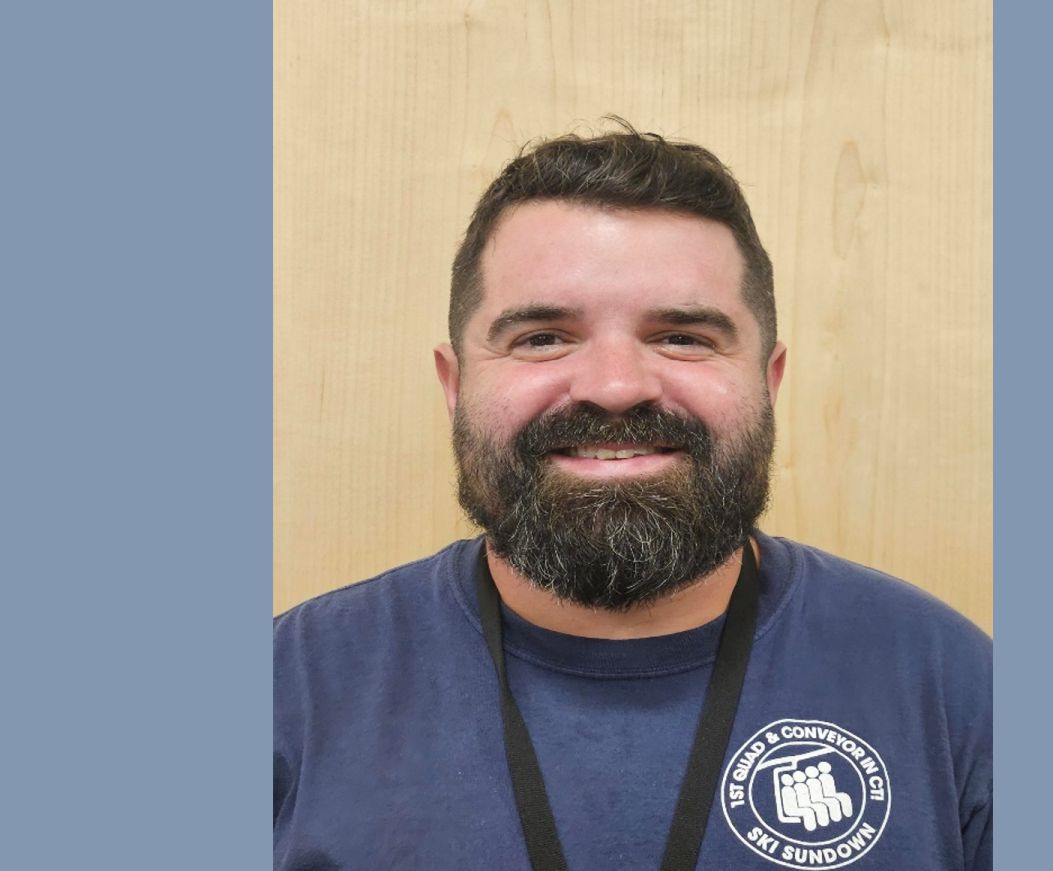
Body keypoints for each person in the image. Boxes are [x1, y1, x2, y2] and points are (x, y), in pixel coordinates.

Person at [274, 122, 992, 871]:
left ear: (768, 383)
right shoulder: (284, 693)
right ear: (455, 387)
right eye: (543, 337)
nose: (615, 387)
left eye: (682, 337)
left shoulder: (951, 688)